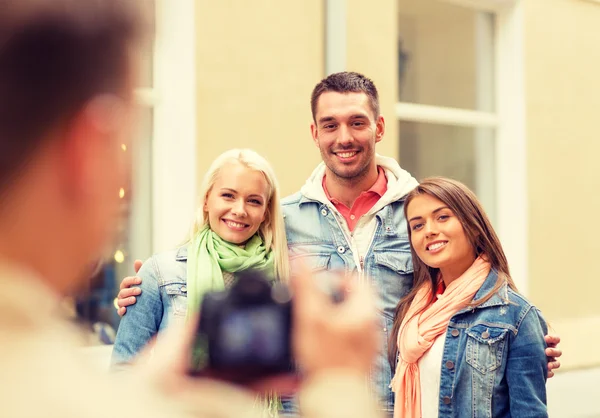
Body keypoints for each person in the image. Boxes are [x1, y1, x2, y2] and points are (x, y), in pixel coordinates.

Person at [0, 2, 387, 417]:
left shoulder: (414, 216)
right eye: (126, 141)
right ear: (87, 152)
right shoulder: (161, 278)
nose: (240, 210)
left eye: (255, 201)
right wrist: (342, 386)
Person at [116, 72, 562, 415]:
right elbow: (220, 259)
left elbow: (469, 286)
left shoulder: (418, 213)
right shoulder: (282, 220)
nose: (343, 137)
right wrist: (144, 291)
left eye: (357, 123)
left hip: (400, 408)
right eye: (329, 125)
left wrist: (520, 342)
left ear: (379, 127)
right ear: (315, 133)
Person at [111, 148, 289, 366]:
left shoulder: (281, 279)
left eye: (253, 201)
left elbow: (290, 386)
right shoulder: (159, 273)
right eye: (228, 196)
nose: (240, 210)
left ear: (265, 213)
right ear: (206, 201)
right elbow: (124, 368)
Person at [389, 177, 548, 417]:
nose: (429, 231)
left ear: (472, 225)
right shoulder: (413, 313)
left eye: (442, 217)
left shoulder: (515, 314)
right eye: (417, 225)